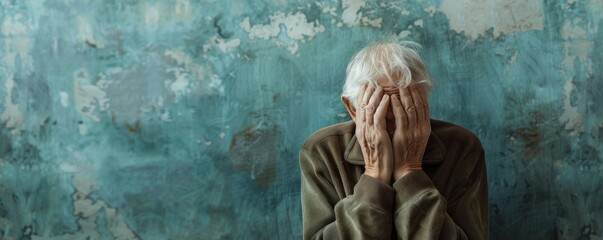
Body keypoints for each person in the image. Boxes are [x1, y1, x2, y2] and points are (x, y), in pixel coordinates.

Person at [299, 40, 488, 239]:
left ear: (423, 105)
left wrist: (410, 171)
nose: (394, 131)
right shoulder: (320, 151)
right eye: (381, 117)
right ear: (353, 109)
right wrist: (374, 176)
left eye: (405, 114)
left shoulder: (463, 148)